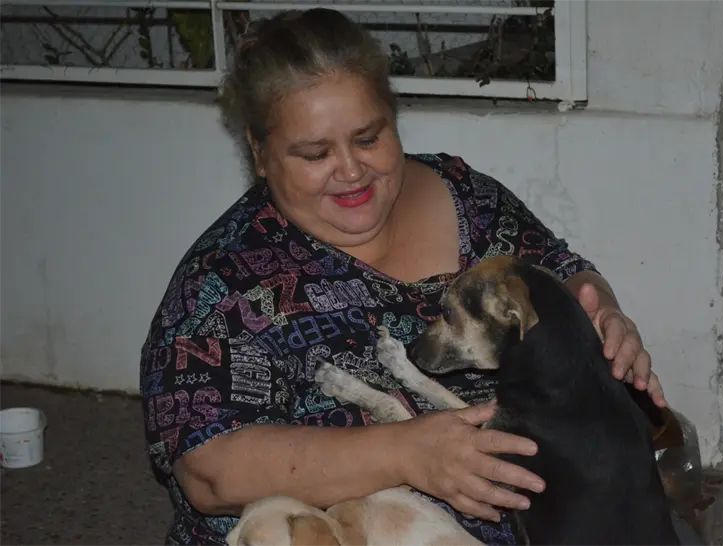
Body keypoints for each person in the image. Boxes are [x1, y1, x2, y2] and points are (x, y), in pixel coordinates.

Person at [138, 8, 688, 546]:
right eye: (315, 153)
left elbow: (563, 272)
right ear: (259, 152)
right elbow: (210, 470)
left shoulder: (468, 197)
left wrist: (604, 314)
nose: (351, 170)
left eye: (368, 138)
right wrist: (404, 454)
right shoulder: (222, 282)